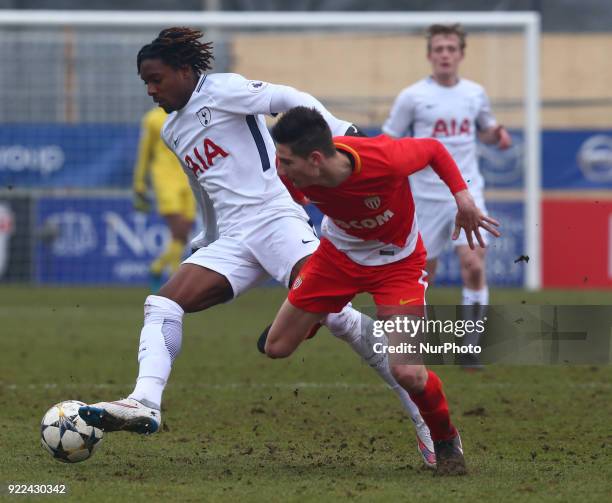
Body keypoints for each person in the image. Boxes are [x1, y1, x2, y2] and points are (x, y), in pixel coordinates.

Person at [78, 27, 437, 468]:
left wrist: (341, 130)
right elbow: (203, 187)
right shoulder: (172, 130)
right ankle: (144, 402)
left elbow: (291, 99)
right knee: (162, 304)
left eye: (156, 79)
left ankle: (424, 420)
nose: (151, 90)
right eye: (145, 83)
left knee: (336, 316)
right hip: (231, 236)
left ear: (185, 71)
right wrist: (206, 238)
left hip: (276, 219)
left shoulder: (223, 89)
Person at [263, 106, 501, 475]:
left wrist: (463, 198)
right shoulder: (293, 175)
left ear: (314, 160)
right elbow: (289, 204)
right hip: (336, 259)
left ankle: (445, 439)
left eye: (286, 160)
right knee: (275, 348)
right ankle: (321, 314)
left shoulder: (383, 158)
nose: (279, 168)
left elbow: (434, 149)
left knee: (408, 372)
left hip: (397, 266)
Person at [382, 24, 512, 368]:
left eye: (451, 48)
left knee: (473, 264)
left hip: (467, 193)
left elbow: (484, 129)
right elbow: (390, 141)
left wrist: (496, 134)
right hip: (424, 196)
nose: (444, 54)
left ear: (461, 55)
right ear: (429, 55)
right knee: (424, 272)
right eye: (438, 48)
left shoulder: (475, 94)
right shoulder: (412, 97)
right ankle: (413, 344)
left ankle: (471, 348)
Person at [133, 106, 196, 292]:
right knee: (179, 230)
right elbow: (144, 153)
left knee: (181, 236)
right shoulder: (152, 119)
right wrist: (139, 183)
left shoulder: (190, 114)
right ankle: (174, 279)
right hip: (165, 181)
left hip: (189, 181)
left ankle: (158, 268)